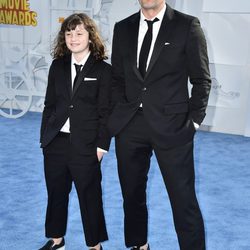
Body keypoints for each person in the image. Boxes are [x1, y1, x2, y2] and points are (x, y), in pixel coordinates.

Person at [107, 1, 211, 249]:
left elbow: (201, 79)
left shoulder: (187, 26)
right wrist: (119, 117)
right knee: (131, 196)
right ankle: (138, 245)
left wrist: (193, 122)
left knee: (183, 200)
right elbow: (118, 78)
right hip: (131, 127)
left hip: (173, 127)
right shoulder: (123, 28)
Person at [39, 13, 111, 250]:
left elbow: (106, 112)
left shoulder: (103, 70)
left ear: (90, 37)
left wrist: (101, 146)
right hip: (56, 142)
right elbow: (50, 105)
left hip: (87, 145)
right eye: (69, 33)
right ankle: (57, 240)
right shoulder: (57, 66)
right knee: (56, 194)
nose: (73, 38)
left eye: (79, 33)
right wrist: (45, 140)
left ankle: (94, 245)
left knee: (90, 198)